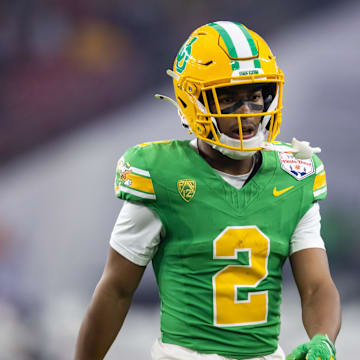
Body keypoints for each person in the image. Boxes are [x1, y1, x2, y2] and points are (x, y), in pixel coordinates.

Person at [74, 21, 341, 360]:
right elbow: (116, 290)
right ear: (193, 100)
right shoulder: (162, 175)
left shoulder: (294, 176)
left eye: (255, 96)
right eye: (228, 99)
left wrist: (323, 339)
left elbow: (317, 286)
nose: (247, 114)